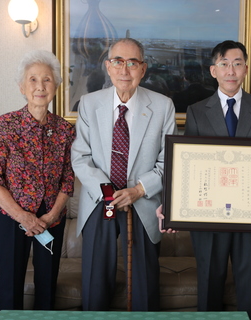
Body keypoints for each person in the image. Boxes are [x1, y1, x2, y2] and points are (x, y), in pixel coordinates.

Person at [71, 38, 177, 311]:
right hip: (99, 201)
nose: (124, 70)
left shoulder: (163, 106)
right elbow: (80, 157)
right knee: (96, 282)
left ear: (143, 69)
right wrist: (109, 192)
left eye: (132, 63)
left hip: (142, 202)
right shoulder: (88, 103)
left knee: (143, 285)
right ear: (108, 66)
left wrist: (139, 190)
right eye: (118, 62)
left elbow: (170, 160)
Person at [183, 40, 251, 320]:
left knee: (249, 286)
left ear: (246, 69)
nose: (231, 70)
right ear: (213, 70)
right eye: (224, 64)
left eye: (237, 63)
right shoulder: (197, 111)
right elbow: (190, 167)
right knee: (209, 284)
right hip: (209, 215)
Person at [0, 50, 75, 311]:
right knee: (10, 285)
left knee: (47, 285)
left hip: (51, 219)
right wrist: (22, 216)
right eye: (33, 80)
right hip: (12, 219)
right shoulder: (4, 125)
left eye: (47, 80)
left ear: (56, 87)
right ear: (22, 87)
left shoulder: (65, 130)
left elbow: (67, 179)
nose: (40, 86)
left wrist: (51, 216)